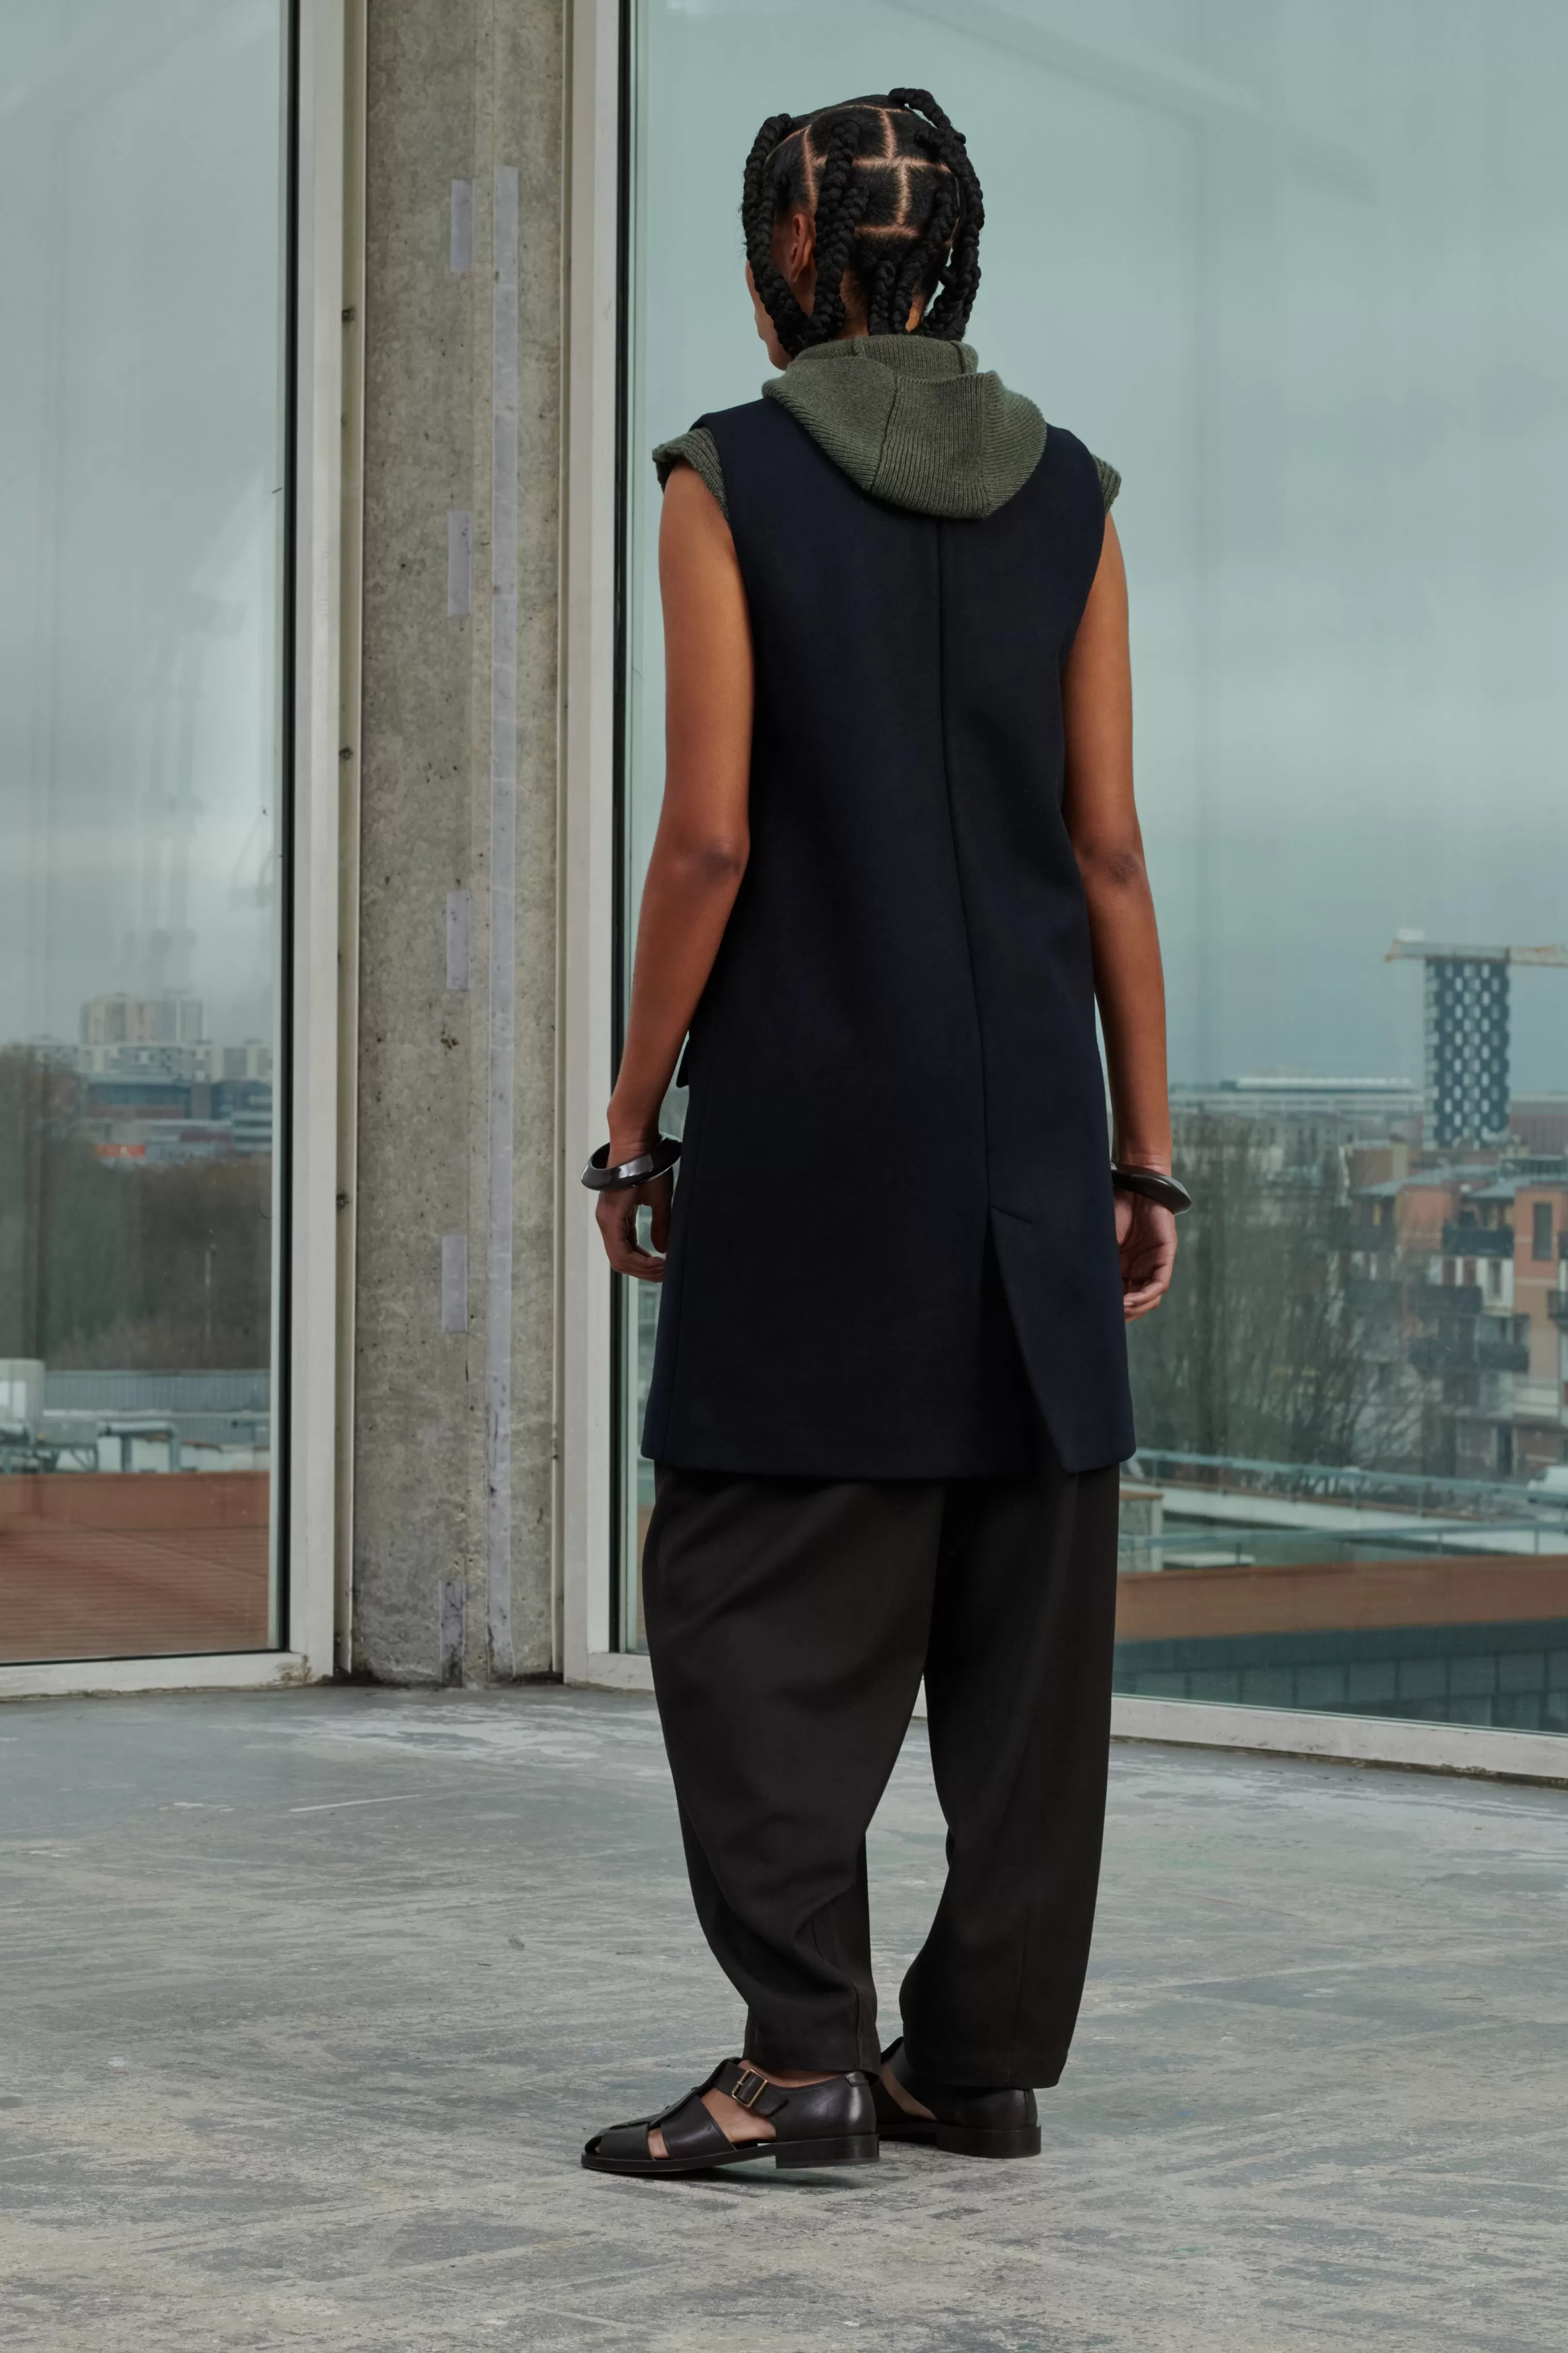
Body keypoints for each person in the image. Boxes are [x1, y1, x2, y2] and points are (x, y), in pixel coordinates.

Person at [581, 89, 1181, 2179]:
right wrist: (1144, 1152)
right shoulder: (1073, 492)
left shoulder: (724, 478)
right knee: (1027, 1609)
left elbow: (709, 835)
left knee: (742, 1572)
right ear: (955, 261)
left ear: (782, 265)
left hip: (819, 1127)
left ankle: (802, 2057)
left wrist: (632, 1112)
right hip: (1031, 1128)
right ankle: (976, 2063)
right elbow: (1107, 851)